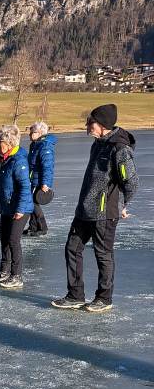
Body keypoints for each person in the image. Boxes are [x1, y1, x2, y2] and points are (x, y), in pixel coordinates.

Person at [51, 104, 138, 313]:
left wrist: (123, 204)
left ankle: (104, 298)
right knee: (72, 248)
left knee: (103, 254)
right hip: (84, 209)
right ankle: (75, 295)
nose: (87, 125)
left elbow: (131, 182)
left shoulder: (120, 149)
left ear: (103, 124)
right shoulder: (97, 144)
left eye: (90, 122)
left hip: (104, 213)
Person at [0, 125, 32, 290]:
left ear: (10, 144)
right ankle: (4, 272)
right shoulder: (2, 159)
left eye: (0, 142)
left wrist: (20, 209)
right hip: (6, 206)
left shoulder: (18, 160)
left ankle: (16, 275)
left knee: (13, 240)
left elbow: (24, 187)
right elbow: (2, 185)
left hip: (21, 208)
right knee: (4, 239)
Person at [24, 122, 55, 237]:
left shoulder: (45, 146)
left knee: (33, 203)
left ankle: (43, 227)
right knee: (31, 202)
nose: (30, 134)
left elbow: (47, 165)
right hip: (32, 178)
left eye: (32, 132)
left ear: (40, 133)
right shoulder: (35, 144)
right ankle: (33, 227)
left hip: (39, 180)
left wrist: (45, 183)